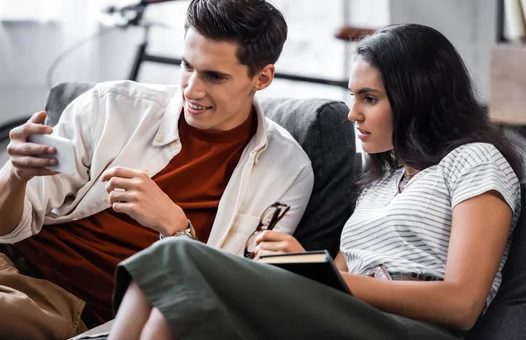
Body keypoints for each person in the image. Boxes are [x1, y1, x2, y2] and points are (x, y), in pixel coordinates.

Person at [0, 0, 316, 339]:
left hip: (61, 303)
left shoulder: (285, 172)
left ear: (262, 78)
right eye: (186, 67)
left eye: (214, 76)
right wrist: (14, 176)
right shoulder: (112, 106)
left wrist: (175, 227)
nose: (191, 90)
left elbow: (231, 299)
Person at [108, 23, 523, 340]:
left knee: (178, 256)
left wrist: (324, 277)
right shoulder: (379, 182)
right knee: (176, 294)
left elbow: (463, 303)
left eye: (370, 99)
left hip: (407, 330)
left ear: (417, 97)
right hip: (347, 317)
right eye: (353, 96)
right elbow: (343, 276)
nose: (352, 114)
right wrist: (300, 261)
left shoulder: (474, 161)